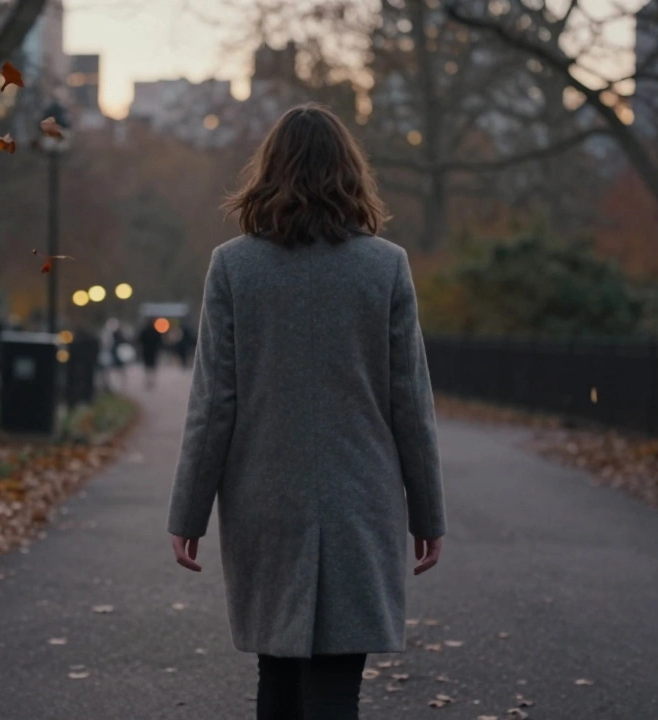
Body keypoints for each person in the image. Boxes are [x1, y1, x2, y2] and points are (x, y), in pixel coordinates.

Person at [166, 103, 446, 720]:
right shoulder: (386, 266)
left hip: (266, 499)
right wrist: (427, 512)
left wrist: (189, 511)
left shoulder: (234, 266)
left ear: (269, 172)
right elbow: (410, 403)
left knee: (277, 670)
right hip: (359, 499)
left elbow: (214, 402)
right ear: (350, 174)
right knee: (338, 682)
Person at [136, 317, 163, 389]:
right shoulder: (156, 331)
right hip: (152, 351)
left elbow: (139, 340)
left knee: (148, 366)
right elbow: (160, 341)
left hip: (147, 351)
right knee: (152, 366)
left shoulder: (145, 331)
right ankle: (151, 380)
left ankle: (149, 380)